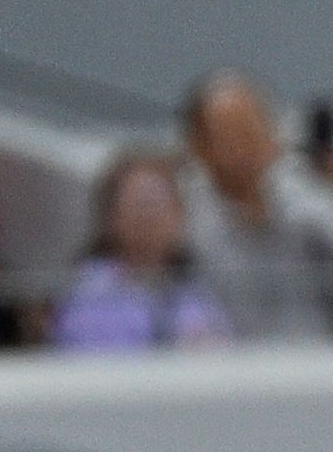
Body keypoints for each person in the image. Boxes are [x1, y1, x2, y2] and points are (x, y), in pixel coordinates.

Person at [180, 70, 333, 340]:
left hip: (321, 357)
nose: (246, 147)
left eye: (253, 131)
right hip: (233, 360)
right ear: (199, 147)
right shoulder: (185, 225)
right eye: (231, 136)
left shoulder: (308, 207)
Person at [51, 151, 230, 354]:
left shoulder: (196, 287)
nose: (149, 218)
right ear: (112, 217)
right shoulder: (89, 292)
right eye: (138, 205)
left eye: (158, 204)